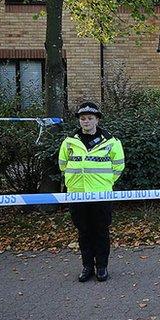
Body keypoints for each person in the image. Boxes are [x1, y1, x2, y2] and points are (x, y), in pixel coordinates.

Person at [58, 102, 125, 282]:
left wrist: (104, 183)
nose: (86, 121)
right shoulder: (69, 141)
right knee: (84, 231)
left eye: (89, 118)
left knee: (101, 231)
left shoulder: (111, 141)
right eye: (82, 119)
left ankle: (102, 267)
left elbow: (118, 167)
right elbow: (63, 165)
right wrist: (73, 183)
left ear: (97, 120)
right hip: (77, 193)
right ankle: (87, 266)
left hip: (101, 194)